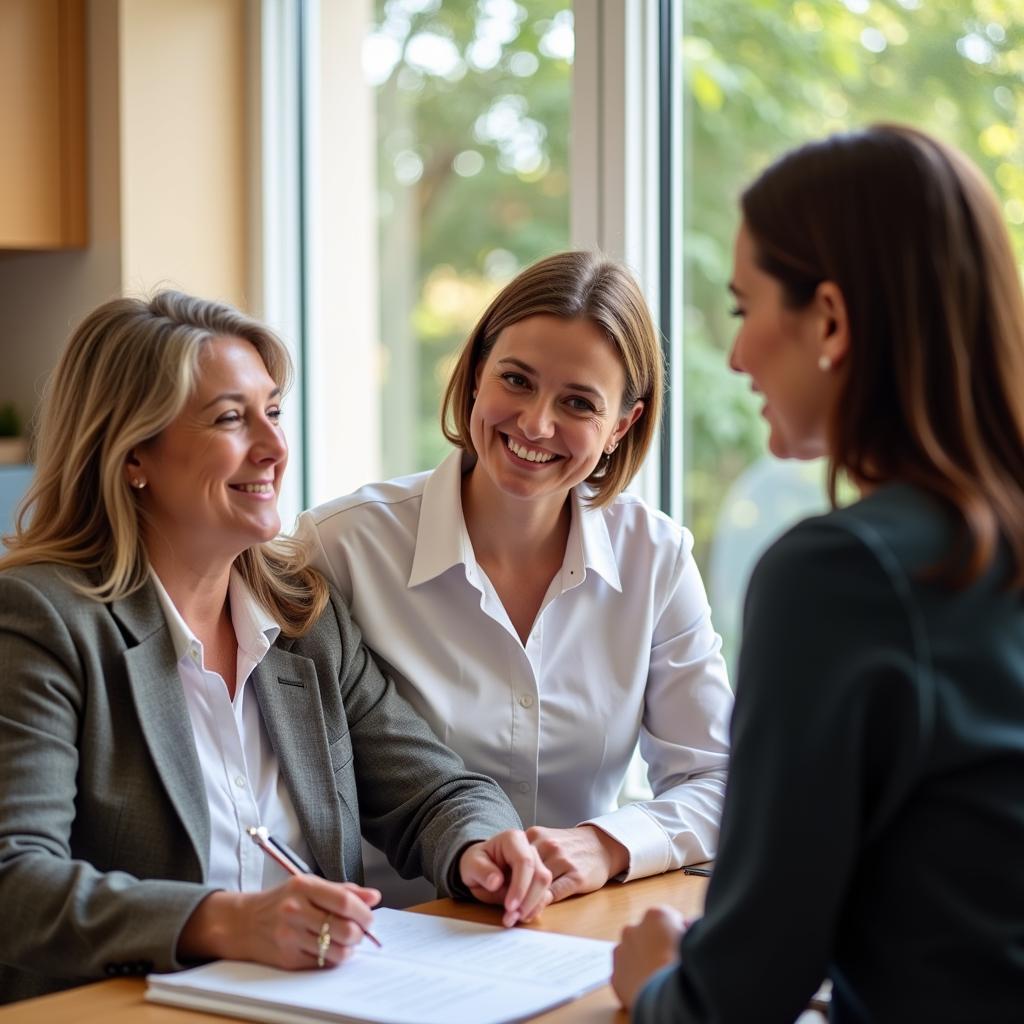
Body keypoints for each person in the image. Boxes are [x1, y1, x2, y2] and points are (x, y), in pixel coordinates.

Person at [0, 291, 551, 1005]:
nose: (274, 446)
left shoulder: (301, 615)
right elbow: (15, 878)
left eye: (275, 411)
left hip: (314, 1001)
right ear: (133, 451)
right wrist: (222, 921)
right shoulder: (44, 619)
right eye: (231, 418)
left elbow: (433, 790)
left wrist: (480, 846)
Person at [612, 124, 1024, 1022]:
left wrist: (651, 984)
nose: (735, 356)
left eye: (742, 307)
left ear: (829, 319)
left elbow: (741, 997)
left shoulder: (841, 576)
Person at [298, 252, 733, 908]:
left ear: (622, 426)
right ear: (475, 375)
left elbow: (720, 780)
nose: (536, 423)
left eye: (578, 403)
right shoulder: (341, 547)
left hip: (569, 933)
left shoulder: (656, 557)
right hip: (389, 936)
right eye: (517, 380)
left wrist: (606, 844)